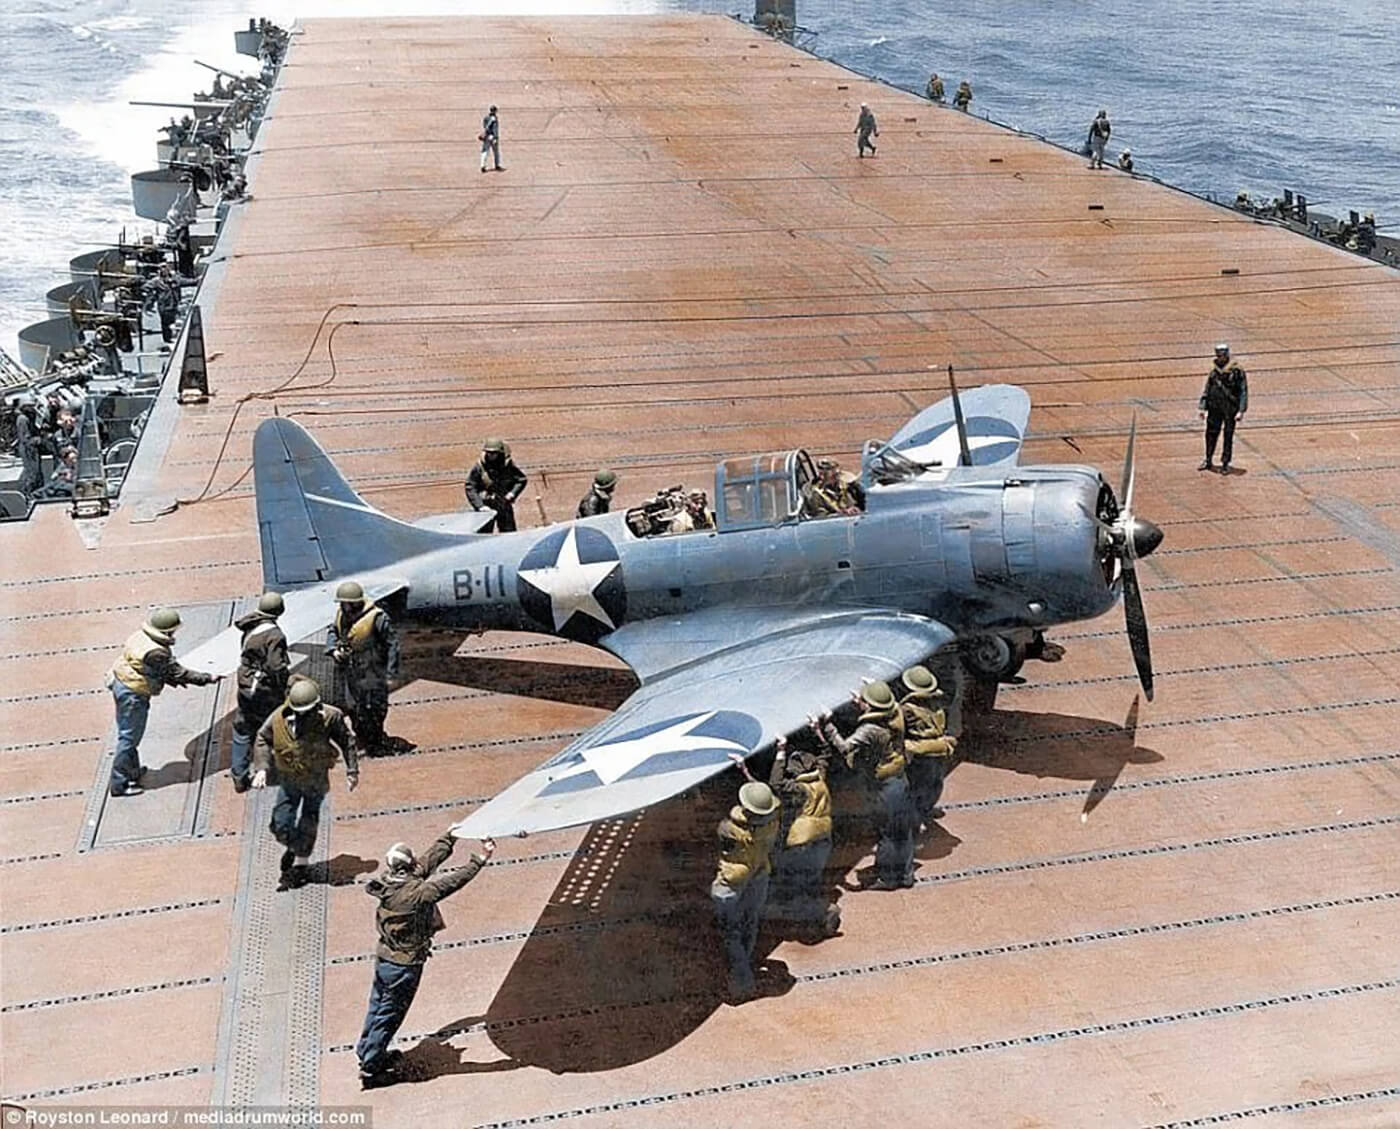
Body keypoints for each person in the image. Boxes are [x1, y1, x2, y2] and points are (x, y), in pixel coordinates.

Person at [356, 830, 496, 1087]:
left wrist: (451, 837)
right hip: (404, 966)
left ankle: (367, 1051)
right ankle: (371, 1068)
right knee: (390, 1014)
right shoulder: (415, 894)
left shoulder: (391, 882)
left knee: (377, 1007)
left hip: (386, 959)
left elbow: (429, 861)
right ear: (407, 865)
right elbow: (450, 883)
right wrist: (480, 859)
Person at [252, 677, 358, 889]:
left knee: (309, 819)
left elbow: (347, 741)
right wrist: (262, 768)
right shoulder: (278, 718)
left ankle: (301, 863)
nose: (303, 715)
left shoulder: (330, 716)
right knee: (280, 822)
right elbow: (262, 738)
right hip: (289, 778)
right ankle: (294, 846)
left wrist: (352, 770)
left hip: (315, 778)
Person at [107, 608, 218, 797]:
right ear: (167, 631)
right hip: (133, 693)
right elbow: (177, 673)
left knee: (130, 736)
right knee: (128, 739)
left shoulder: (140, 636)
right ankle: (119, 784)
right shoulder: (156, 652)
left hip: (122, 683)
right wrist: (207, 677)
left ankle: (131, 771)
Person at [815, 680, 915, 890]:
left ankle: (887, 879)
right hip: (900, 778)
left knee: (887, 834)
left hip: (885, 786)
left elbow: (844, 747)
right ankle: (905, 875)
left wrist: (827, 724)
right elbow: (889, 701)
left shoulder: (870, 729)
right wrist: (871, 691)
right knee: (902, 831)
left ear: (869, 706)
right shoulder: (895, 714)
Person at [743, 738, 840, 938]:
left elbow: (774, 785)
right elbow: (825, 756)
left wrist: (780, 751)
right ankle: (817, 914)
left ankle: (822, 915)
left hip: (802, 843)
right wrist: (818, 734)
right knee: (809, 881)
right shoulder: (819, 777)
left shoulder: (800, 789)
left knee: (795, 884)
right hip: (823, 839)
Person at [710, 780, 781, 1002]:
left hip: (733, 881)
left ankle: (742, 982)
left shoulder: (731, 828)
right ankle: (744, 964)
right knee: (750, 922)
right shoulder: (773, 823)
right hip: (759, 873)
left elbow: (721, 833)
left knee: (730, 931)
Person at [327, 580, 403, 756]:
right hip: (351, 670)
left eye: (346, 603)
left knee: (376, 707)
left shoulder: (378, 618)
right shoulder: (341, 615)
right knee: (353, 706)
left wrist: (391, 673)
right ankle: (363, 737)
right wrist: (333, 650)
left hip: (373, 670)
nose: (343, 606)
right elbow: (333, 631)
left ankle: (376, 740)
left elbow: (392, 644)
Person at [229, 591, 290, 793]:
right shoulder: (274, 635)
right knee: (274, 726)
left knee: (242, 728)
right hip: (264, 689)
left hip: (246, 683)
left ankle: (239, 776)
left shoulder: (250, 625)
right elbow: (276, 666)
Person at [896, 665, 957, 830]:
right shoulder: (937, 702)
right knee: (932, 784)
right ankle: (922, 813)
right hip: (935, 750)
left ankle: (917, 819)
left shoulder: (906, 709)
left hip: (922, 753)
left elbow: (899, 729)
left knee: (920, 787)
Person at [1198, 343, 1248, 473]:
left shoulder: (1236, 370)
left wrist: (1241, 410)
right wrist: (1203, 407)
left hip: (1230, 408)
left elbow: (1243, 391)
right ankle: (1208, 459)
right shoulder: (1214, 370)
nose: (1220, 357)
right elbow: (1208, 388)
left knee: (1228, 435)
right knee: (1210, 434)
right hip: (1214, 406)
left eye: (1222, 354)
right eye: (1218, 354)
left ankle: (1225, 463)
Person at [464, 438, 528, 532]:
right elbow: (470, 486)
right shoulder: (480, 466)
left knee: (509, 534)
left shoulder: (507, 464)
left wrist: (512, 494)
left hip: (503, 503)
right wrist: (480, 506)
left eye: (494, 453)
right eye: (489, 453)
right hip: (486, 506)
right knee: (483, 536)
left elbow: (521, 480)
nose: (491, 455)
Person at [800, 457, 865, 518]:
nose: (838, 479)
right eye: (834, 476)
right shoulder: (815, 494)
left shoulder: (848, 486)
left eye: (838, 474)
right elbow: (821, 518)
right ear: (821, 476)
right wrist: (843, 513)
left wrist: (856, 509)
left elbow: (862, 501)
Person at [13, 402, 44, 496]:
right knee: (31, 472)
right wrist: (37, 440)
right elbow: (25, 438)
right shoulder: (22, 419)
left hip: (30, 448)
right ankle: (27, 493)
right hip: (28, 449)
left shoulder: (28, 417)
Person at [479, 104, 502, 173]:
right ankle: (497, 165)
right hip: (492, 136)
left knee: (485, 151)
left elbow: (484, 126)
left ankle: (482, 165)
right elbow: (495, 129)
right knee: (496, 152)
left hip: (486, 136)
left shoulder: (486, 118)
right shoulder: (494, 119)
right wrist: (495, 138)